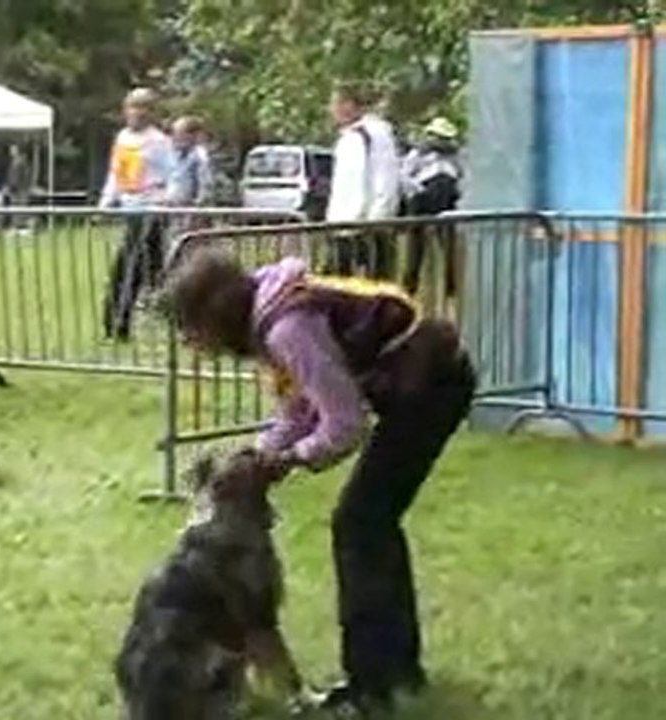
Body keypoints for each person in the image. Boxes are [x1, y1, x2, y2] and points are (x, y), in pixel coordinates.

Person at [161, 249, 476, 716]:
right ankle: (396, 671)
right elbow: (299, 411)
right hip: (415, 380)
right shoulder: (270, 316)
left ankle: (373, 687)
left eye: (193, 330)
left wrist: (287, 460)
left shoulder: (287, 329)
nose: (195, 344)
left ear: (216, 312)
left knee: (360, 524)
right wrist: (259, 452)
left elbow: (345, 423)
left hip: (431, 382)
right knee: (370, 523)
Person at [99, 87, 175, 340]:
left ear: (152, 112)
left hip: (151, 209)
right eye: (133, 106)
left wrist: (166, 201)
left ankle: (119, 322)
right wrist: (107, 201)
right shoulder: (122, 138)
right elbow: (116, 173)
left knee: (134, 265)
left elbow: (173, 176)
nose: (138, 113)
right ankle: (117, 321)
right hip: (131, 208)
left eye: (144, 107)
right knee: (149, 269)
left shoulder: (159, 142)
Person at [326, 81, 401, 279]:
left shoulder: (374, 135)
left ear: (349, 105)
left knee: (372, 285)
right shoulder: (348, 137)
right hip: (344, 226)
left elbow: (385, 178)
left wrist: (377, 219)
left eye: (335, 103)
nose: (332, 110)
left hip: (366, 226)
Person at [400, 117, 463, 298]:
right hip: (422, 197)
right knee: (415, 246)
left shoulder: (454, 156)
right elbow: (404, 176)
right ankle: (409, 287)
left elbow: (462, 175)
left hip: (446, 196)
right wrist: (419, 190)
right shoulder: (418, 153)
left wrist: (455, 190)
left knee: (448, 244)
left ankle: (451, 288)